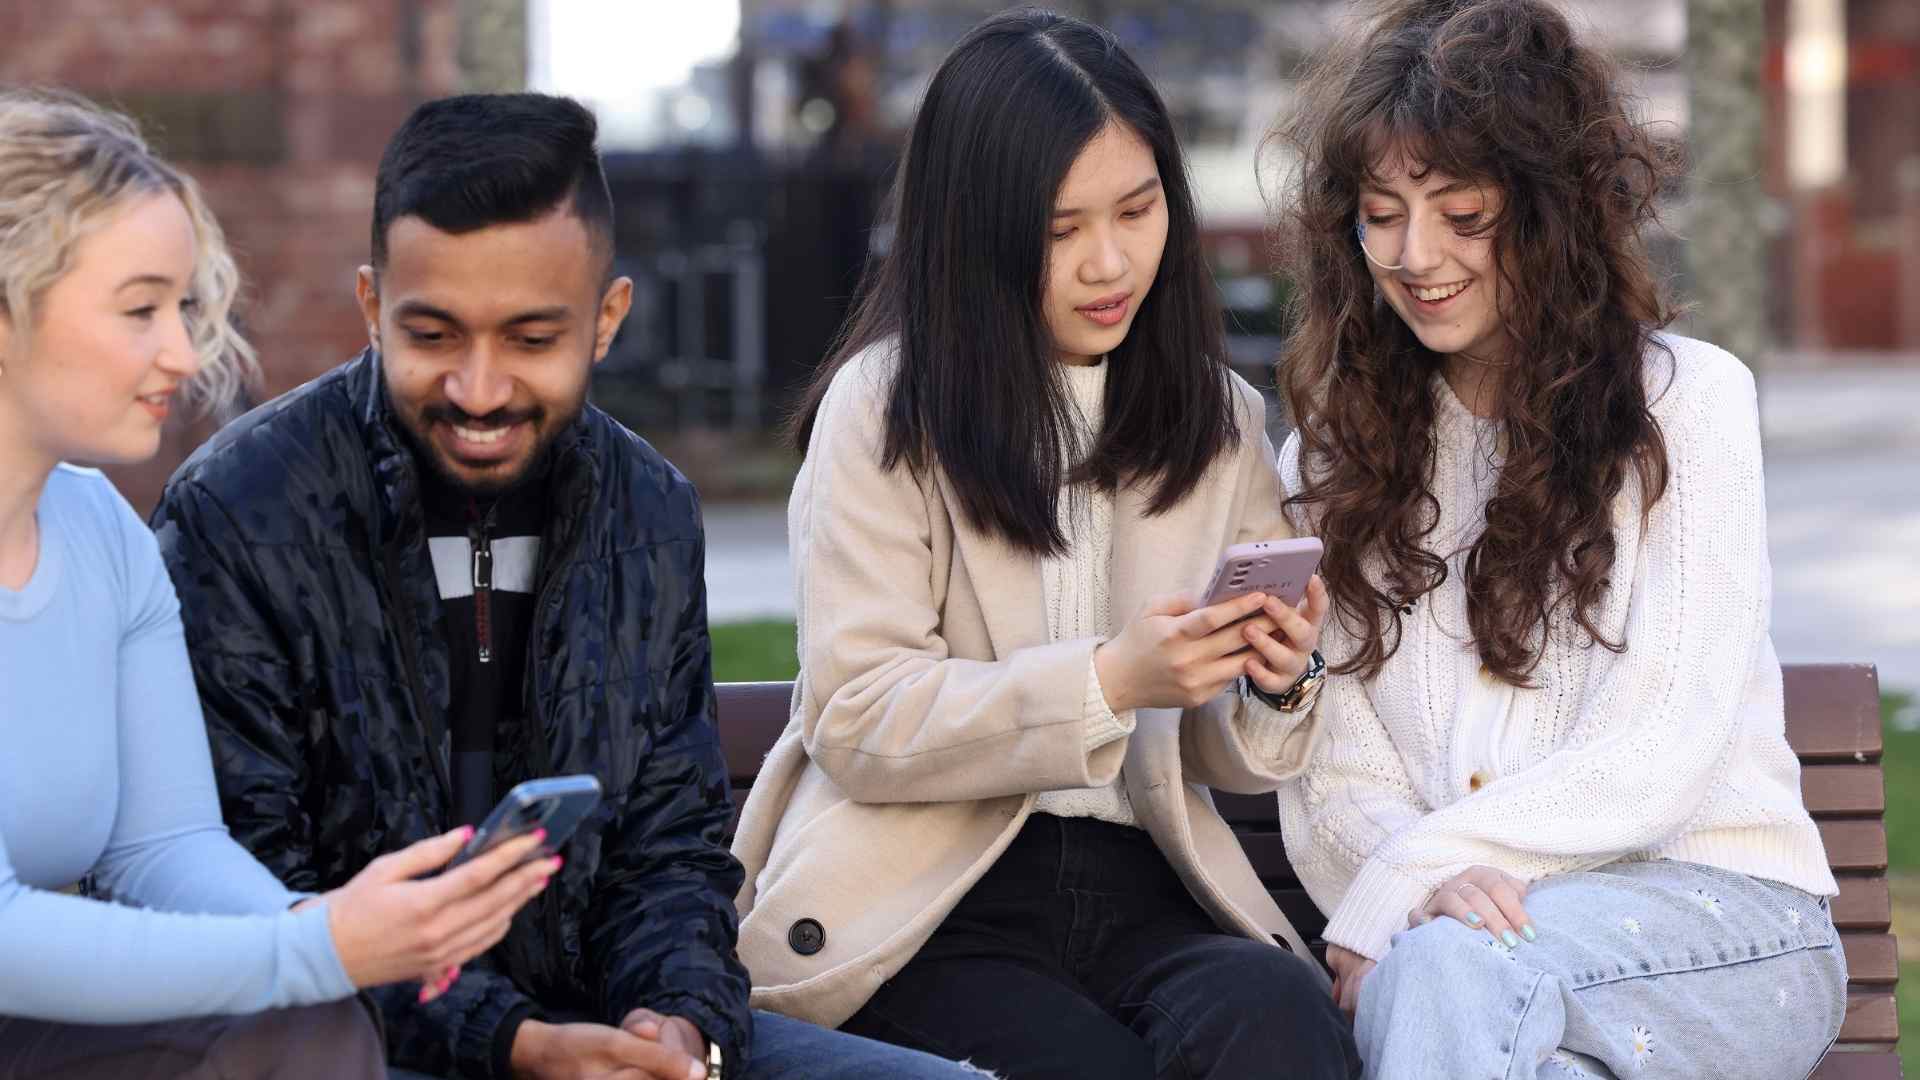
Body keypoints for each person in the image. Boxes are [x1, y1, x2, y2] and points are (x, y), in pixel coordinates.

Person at [150, 92, 979, 1080]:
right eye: (435, 336)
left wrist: (676, 1024)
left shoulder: (647, 509)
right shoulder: (241, 510)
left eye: (533, 340)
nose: (480, 387)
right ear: (373, 308)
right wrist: (513, 1043)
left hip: (598, 1027)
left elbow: (671, 847)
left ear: (607, 320)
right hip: (354, 1042)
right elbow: (260, 889)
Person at [730, 10, 1357, 1079]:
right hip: (931, 898)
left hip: (1144, 886)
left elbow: (1221, 751)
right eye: (1060, 230)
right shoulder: (884, 411)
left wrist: (1273, 680)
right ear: (976, 228)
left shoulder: (1213, 418)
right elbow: (857, 715)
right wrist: (1111, 681)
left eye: (1137, 209)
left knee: (1278, 1018)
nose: (1108, 263)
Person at [1268, 1, 1847, 1076]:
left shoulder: (1690, 407)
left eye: (1461, 213)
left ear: (1544, 212)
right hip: (1475, 951)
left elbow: (1662, 745)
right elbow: (1334, 768)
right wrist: (1429, 889)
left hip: (1722, 927)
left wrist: (1411, 886)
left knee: (1441, 976)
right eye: (1380, 212)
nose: (1414, 254)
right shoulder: (1329, 465)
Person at [0, 90, 556, 1079]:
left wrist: (332, 930)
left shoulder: (101, 535)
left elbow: (161, 848)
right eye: (141, 310)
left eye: (183, 307)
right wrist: (314, 948)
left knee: (309, 1034)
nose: (185, 350)